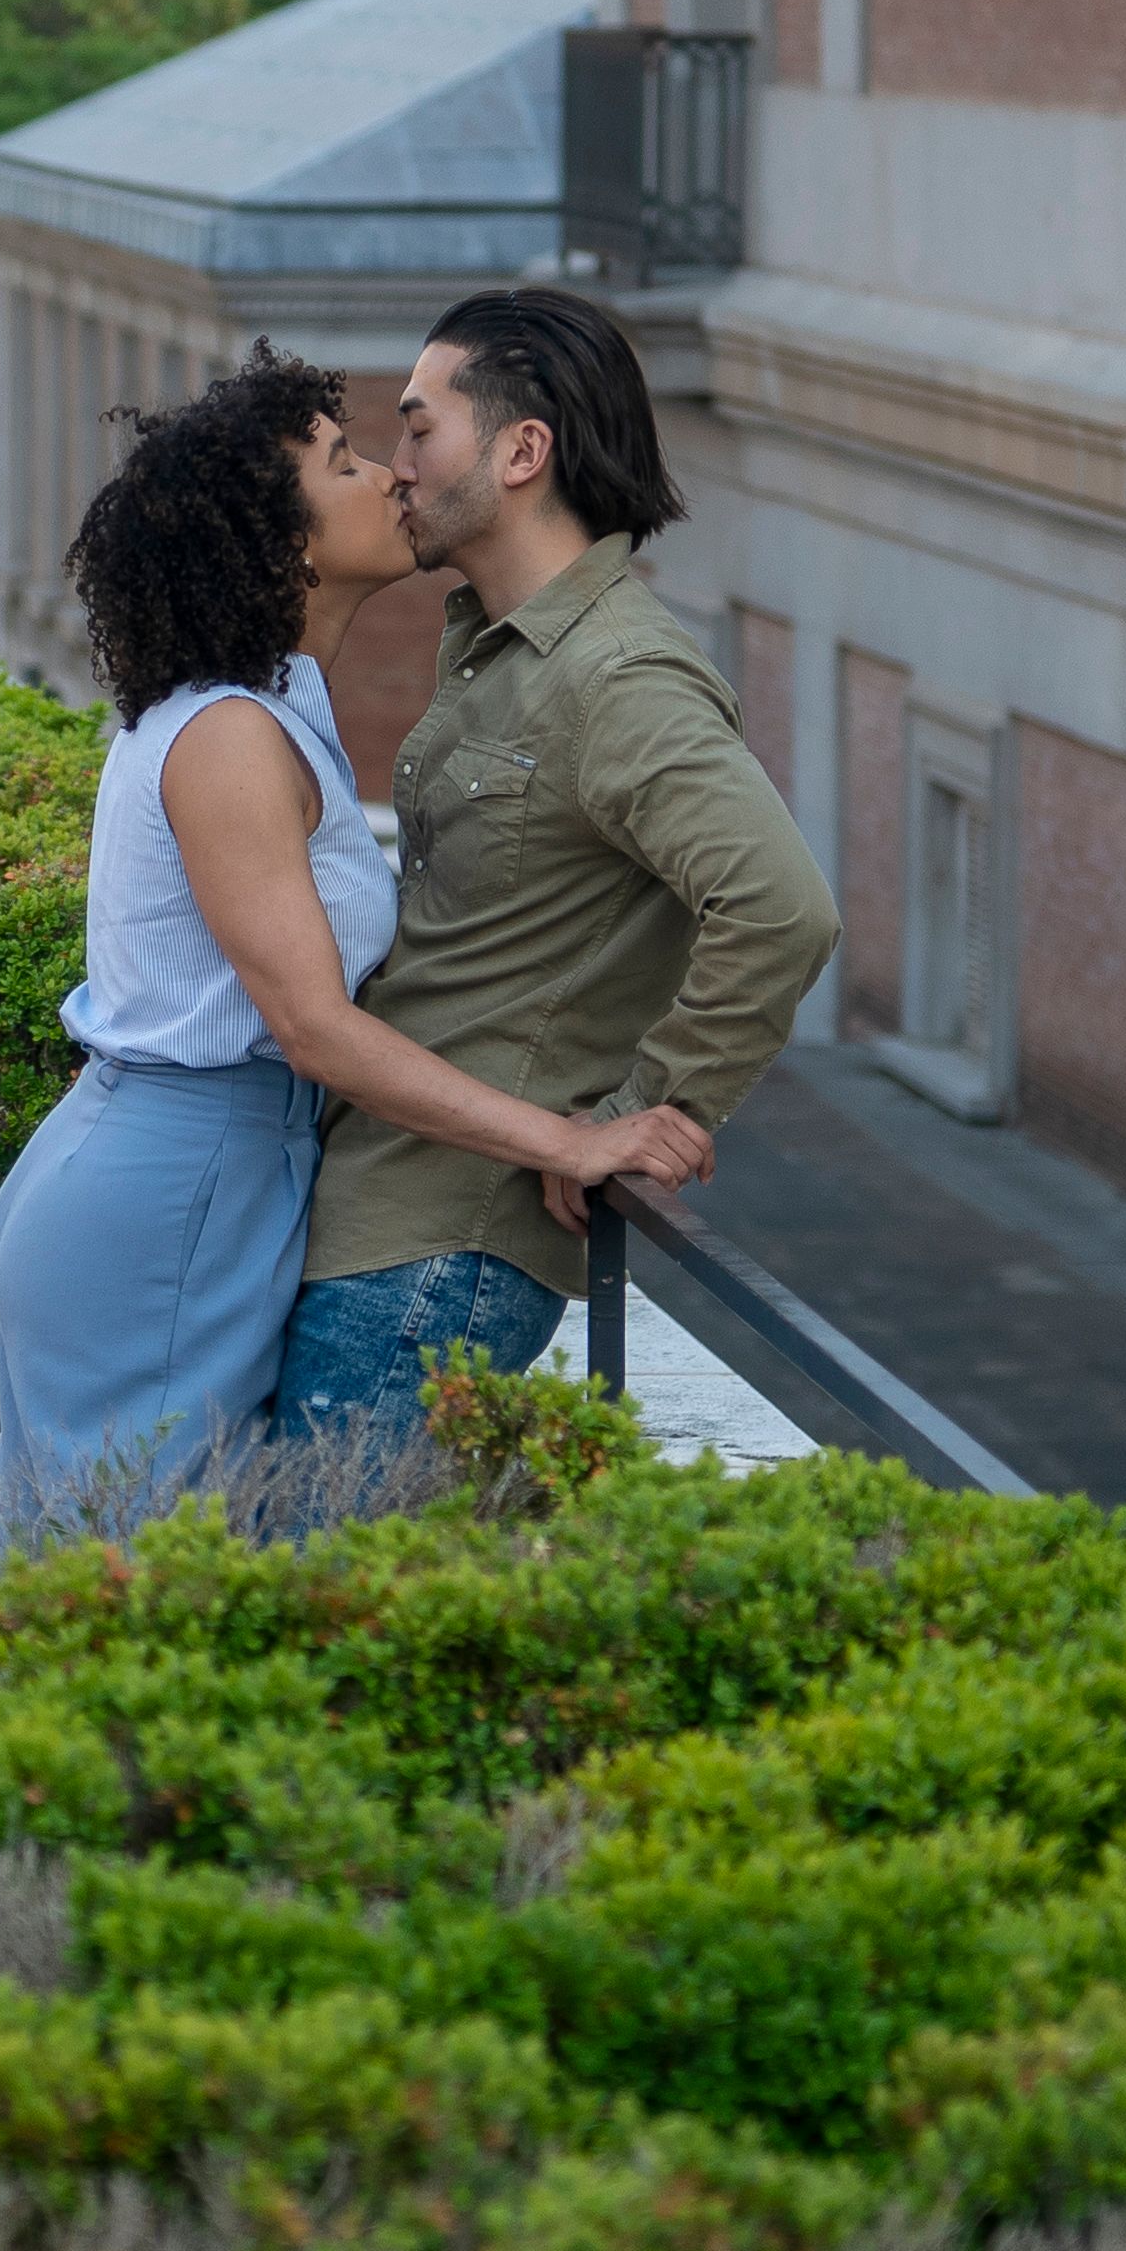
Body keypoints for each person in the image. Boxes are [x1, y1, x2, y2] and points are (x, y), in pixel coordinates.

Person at [0, 342, 714, 1539]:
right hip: (170, 1185)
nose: (391, 476)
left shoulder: (276, 705)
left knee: (141, 1573)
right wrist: (564, 1139)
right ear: (279, 541)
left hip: (215, 1175)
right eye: (345, 461)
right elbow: (315, 1029)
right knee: (127, 1584)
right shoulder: (226, 734)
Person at [271, 285, 836, 1433]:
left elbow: (780, 908)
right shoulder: (499, 651)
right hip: (377, 1217)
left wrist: (640, 1112)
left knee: (324, 1605)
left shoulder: (619, 674)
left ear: (523, 449)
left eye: (421, 427)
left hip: (441, 1251)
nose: (396, 467)